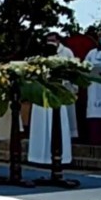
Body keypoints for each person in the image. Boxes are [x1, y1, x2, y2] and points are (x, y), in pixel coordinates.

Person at [28, 35, 76, 165]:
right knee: (41, 126)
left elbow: (72, 72)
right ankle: (38, 156)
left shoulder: (66, 53)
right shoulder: (39, 58)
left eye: (53, 41)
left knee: (58, 124)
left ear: (58, 41)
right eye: (48, 41)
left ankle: (60, 157)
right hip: (41, 96)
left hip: (57, 95)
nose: (50, 43)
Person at [85, 30, 101, 142]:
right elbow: (84, 67)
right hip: (95, 87)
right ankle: (96, 138)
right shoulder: (92, 53)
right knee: (96, 112)